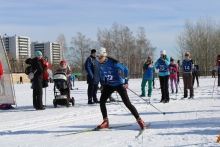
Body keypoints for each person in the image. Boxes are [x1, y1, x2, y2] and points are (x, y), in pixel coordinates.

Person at [97, 47, 146, 129]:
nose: (99, 59)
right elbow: (102, 73)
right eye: (98, 57)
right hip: (109, 84)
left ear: (105, 56)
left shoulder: (112, 62)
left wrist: (126, 81)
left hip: (119, 84)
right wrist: (103, 83)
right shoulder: (99, 64)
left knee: (127, 103)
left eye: (101, 57)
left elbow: (126, 69)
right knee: (102, 101)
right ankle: (106, 122)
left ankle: (140, 120)